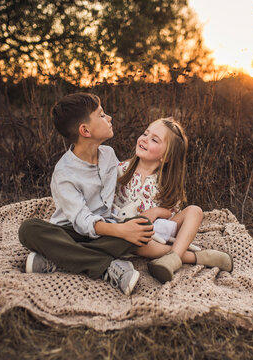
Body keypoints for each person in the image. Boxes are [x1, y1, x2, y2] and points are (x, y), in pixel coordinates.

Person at [18, 93, 155, 296]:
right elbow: (82, 221)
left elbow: (126, 179)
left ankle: (59, 258)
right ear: (85, 130)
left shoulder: (108, 155)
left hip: (104, 230)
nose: (109, 118)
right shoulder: (64, 173)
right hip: (68, 232)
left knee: (142, 227)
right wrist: (121, 231)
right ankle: (106, 266)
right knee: (28, 229)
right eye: (101, 115)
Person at [114, 117, 233, 284]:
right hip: (132, 233)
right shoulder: (121, 170)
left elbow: (170, 211)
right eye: (145, 133)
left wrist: (155, 212)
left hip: (160, 230)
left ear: (166, 157)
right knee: (136, 242)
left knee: (195, 211)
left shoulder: (165, 181)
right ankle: (192, 257)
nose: (144, 139)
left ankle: (172, 259)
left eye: (154, 139)